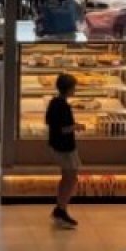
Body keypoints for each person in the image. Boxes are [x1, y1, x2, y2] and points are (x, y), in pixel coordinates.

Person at [46, 72, 81, 230]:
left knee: (66, 176)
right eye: (74, 88)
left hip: (55, 145)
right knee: (71, 178)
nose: (75, 90)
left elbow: (49, 122)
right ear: (69, 89)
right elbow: (64, 129)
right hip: (65, 147)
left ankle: (60, 207)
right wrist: (77, 127)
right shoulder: (64, 107)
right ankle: (61, 209)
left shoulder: (53, 102)